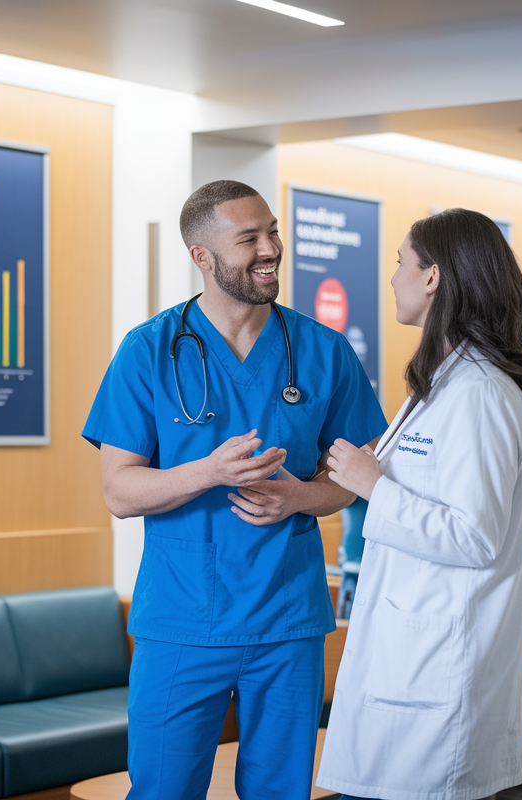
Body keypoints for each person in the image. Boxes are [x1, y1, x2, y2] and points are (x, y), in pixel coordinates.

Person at [82, 180, 387, 800]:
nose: (271, 248)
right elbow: (119, 491)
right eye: (250, 239)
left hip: (288, 615)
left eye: (273, 232)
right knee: (164, 790)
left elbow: (353, 479)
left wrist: (300, 497)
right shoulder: (149, 351)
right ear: (202, 255)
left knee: (281, 791)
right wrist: (210, 471)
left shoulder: (324, 351)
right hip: (181, 618)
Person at [317, 209, 522, 800]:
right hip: (410, 654)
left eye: (401, 262)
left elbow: (475, 535)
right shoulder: (444, 382)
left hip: (440, 667)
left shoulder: (480, 391)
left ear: (433, 278)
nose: (392, 277)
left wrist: (374, 486)